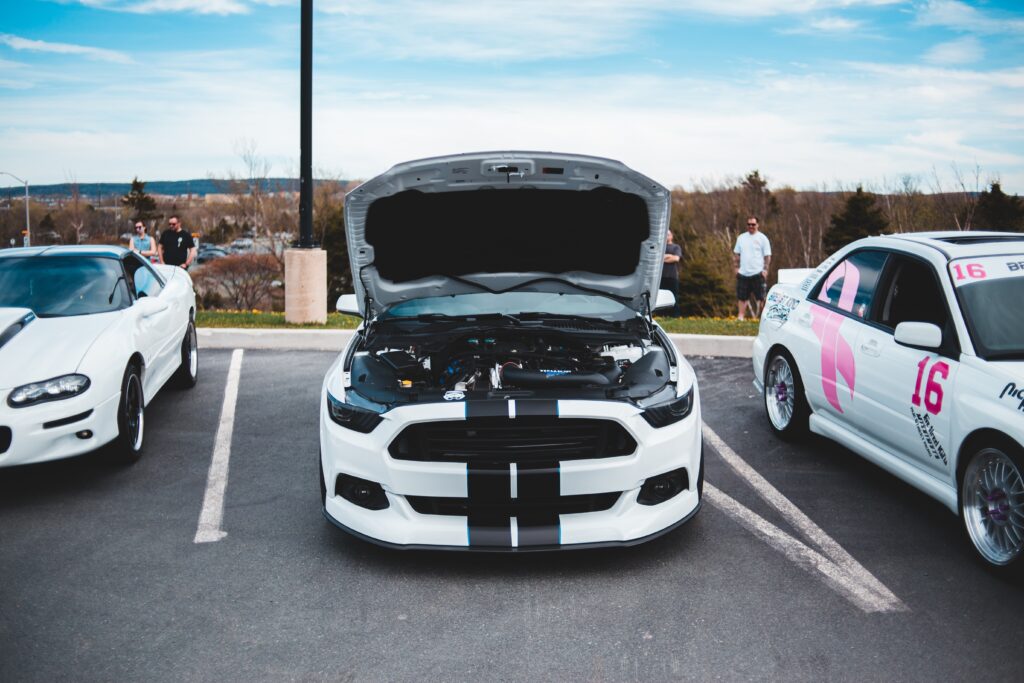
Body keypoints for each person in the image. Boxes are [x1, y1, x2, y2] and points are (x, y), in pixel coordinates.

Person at [733, 215, 771, 320]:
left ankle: (764, 319)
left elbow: (767, 256)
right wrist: (736, 268)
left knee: (761, 298)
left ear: (757, 225)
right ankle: (740, 317)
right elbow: (736, 254)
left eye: (753, 224)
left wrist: (765, 270)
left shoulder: (762, 238)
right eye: (749, 224)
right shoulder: (741, 238)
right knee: (742, 298)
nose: (751, 226)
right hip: (743, 273)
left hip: (758, 273)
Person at [660, 230, 682, 317]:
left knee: (674, 296)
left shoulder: (676, 247)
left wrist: (663, 257)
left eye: (668, 234)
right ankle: (662, 315)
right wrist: (669, 256)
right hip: (661, 277)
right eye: (665, 234)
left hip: (672, 276)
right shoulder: (661, 247)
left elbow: (676, 258)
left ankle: (675, 316)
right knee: (661, 297)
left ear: (672, 236)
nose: (667, 236)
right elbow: (658, 258)